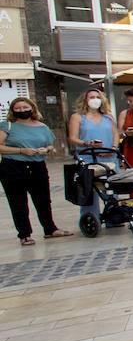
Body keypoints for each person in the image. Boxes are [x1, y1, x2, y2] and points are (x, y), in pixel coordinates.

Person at [0, 98, 70, 245]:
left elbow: (50, 145)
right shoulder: (8, 126)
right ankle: (24, 234)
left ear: (32, 108)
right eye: (17, 108)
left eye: (25, 107)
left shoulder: (42, 126)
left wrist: (46, 149)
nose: (21, 110)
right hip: (13, 166)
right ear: (12, 110)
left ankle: (50, 229)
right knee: (18, 202)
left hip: (37, 165)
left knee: (43, 199)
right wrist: (21, 150)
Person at [68, 88, 119, 230]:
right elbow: (72, 137)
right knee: (89, 190)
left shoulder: (108, 117)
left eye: (98, 97)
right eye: (91, 97)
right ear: (85, 100)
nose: (95, 100)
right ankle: (91, 218)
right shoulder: (78, 117)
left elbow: (115, 134)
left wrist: (114, 148)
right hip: (87, 157)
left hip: (109, 156)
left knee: (111, 188)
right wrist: (86, 143)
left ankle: (113, 217)